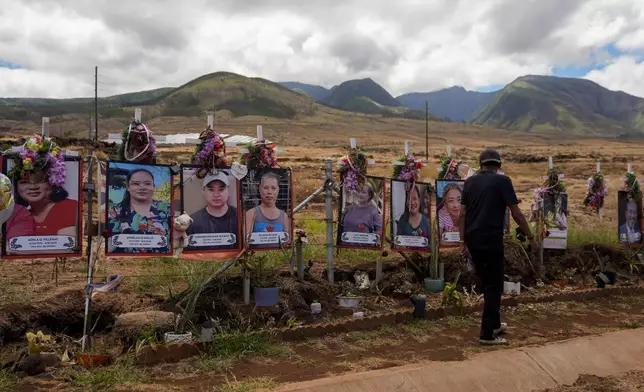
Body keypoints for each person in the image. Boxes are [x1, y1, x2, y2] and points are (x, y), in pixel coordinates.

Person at [460, 149, 537, 346]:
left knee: (488, 282)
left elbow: (462, 213)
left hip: (473, 237)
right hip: (491, 237)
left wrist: (463, 240)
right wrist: (530, 236)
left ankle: (494, 323)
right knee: (494, 284)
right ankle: (487, 334)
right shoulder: (503, 181)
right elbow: (516, 213)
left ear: (481, 164)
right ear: (498, 165)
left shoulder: (469, 182)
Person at [108, 168, 171, 254]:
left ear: (153, 187)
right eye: (136, 184)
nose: (142, 187)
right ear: (128, 187)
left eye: (147, 184)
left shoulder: (166, 208)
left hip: (162, 262)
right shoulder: (115, 211)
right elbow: (108, 244)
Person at [12, 171, 78, 237]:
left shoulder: (70, 207)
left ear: (53, 184)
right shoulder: (19, 216)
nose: (33, 187)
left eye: (40, 181)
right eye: (24, 182)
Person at [187, 171, 239, 249]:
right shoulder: (192, 221)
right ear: (203, 191)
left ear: (228, 191)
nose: (216, 195)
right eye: (211, 190)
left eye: (221, 189)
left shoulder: (241, 217)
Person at [245, 171, 290, 248]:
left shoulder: (284, 216)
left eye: (273, 188)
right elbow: (245, 244)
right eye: (265, 188)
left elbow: (286, 245)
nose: (269, 192)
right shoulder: (251, 214)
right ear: (259, 189)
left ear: (278, 190)